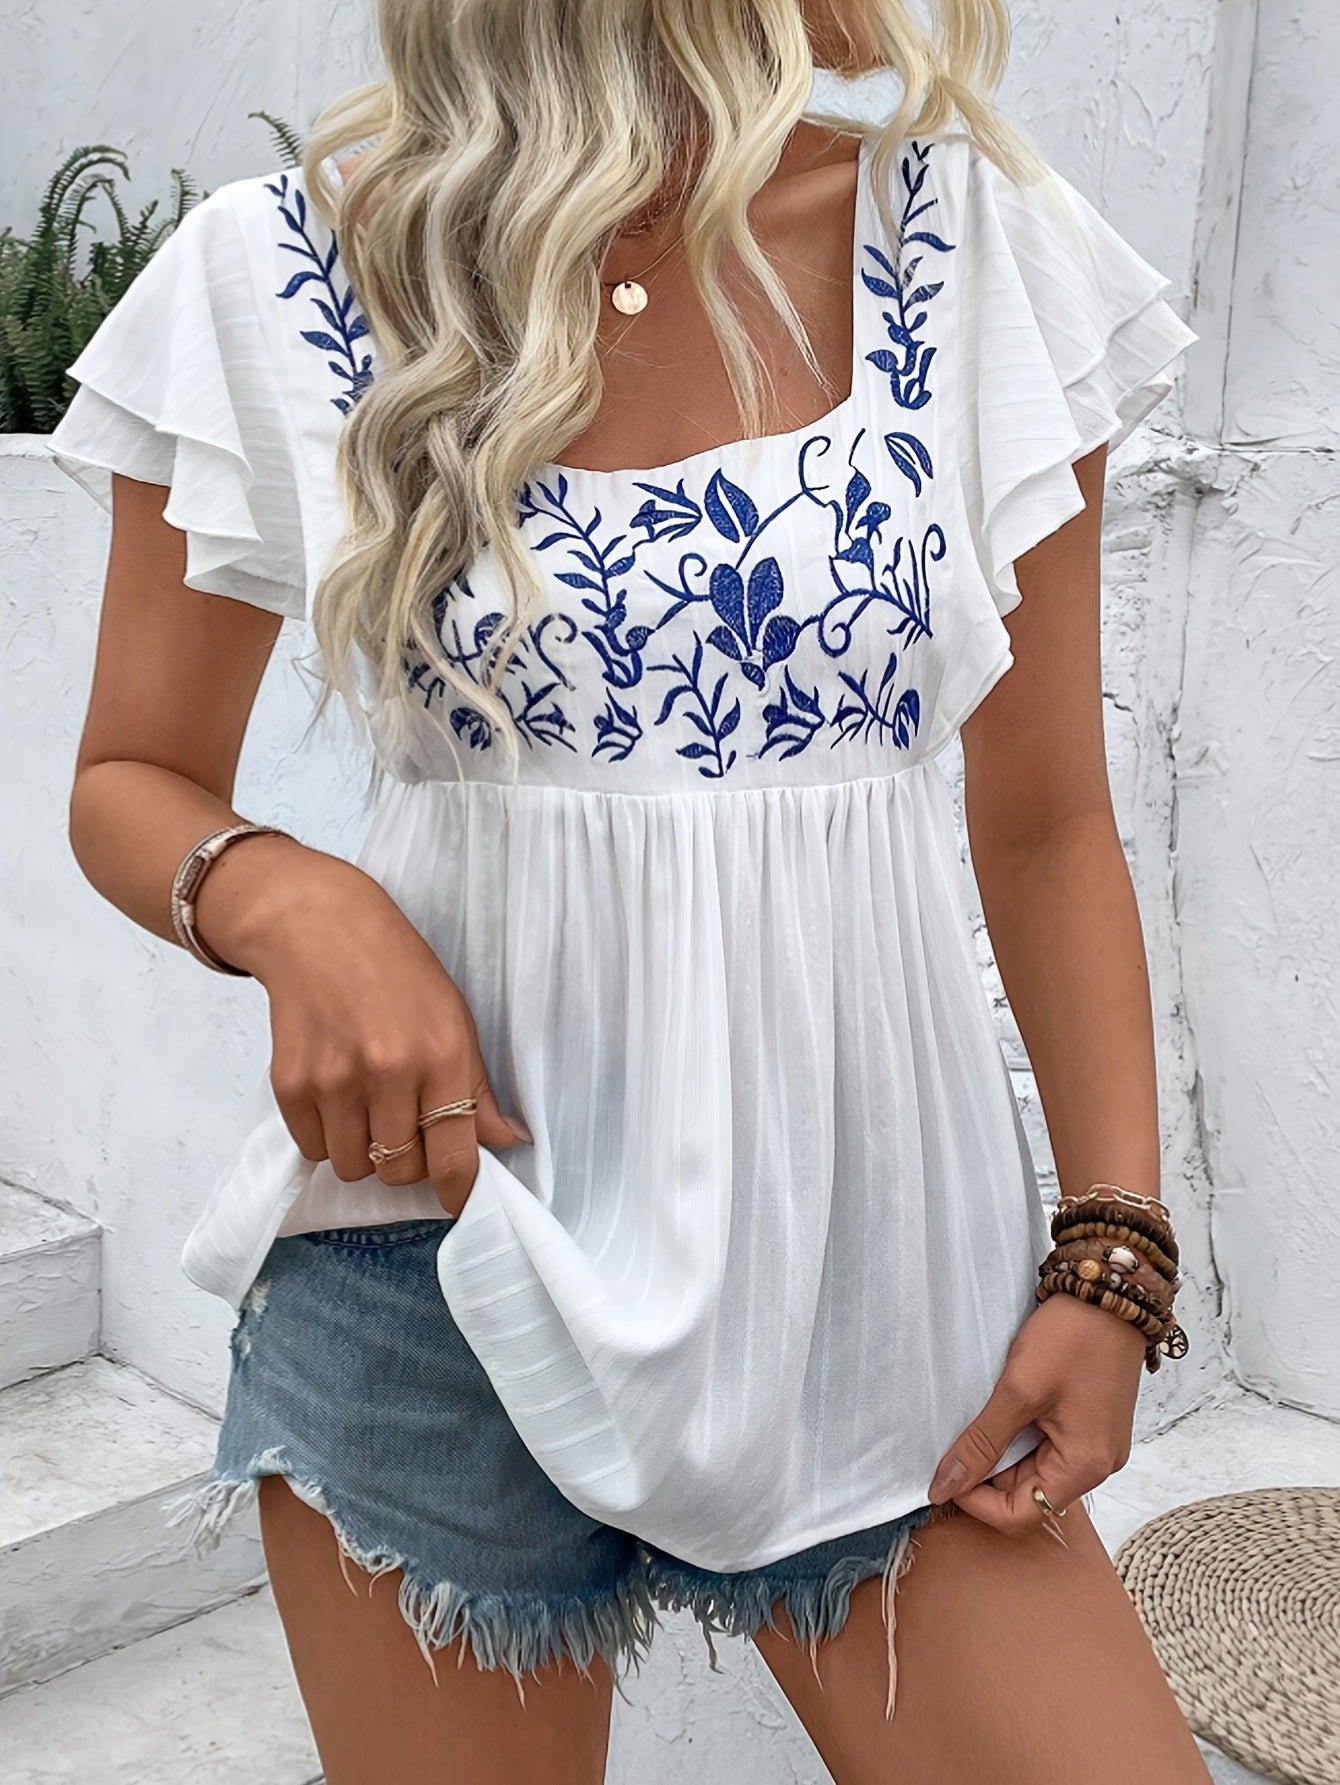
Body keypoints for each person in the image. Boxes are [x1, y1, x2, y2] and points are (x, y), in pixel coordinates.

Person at [49, 1, 1211, 1779]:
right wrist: (286, 899)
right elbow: (131, 777)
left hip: (875, 1294)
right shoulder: (288, 268)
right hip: (435, 1265)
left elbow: (1048, 821)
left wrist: (1113, 1258)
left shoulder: (972, 247)